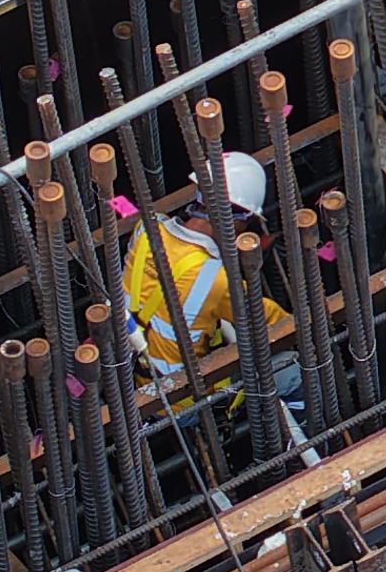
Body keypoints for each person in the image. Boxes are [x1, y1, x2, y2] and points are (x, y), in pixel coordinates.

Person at [119, 150, 303, 401]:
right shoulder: (214, 280)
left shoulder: (146, 229)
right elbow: (271, 322)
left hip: (132, 373)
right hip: (180, 397)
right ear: (236, 219)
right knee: (293, 369)